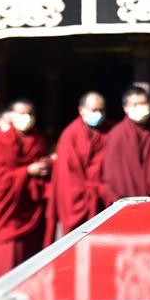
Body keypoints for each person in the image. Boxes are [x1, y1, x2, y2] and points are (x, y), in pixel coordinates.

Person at [0, 99, 50, 285]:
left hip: (29, 209)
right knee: (2, 266)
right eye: (22, 114)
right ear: (12, 116)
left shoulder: (37, 142)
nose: (27, 118)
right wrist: (27, 171)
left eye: (30, 114)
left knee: (29, 263)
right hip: (5, 213)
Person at [45, 93, 111, 245]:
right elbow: (69, 179)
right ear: (81, 110)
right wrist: (95, 192)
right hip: (82, 201)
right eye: (94, 110)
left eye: (101, 110)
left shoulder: (110, 131)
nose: (98, 114)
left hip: (104, 202)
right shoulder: (70, 135)